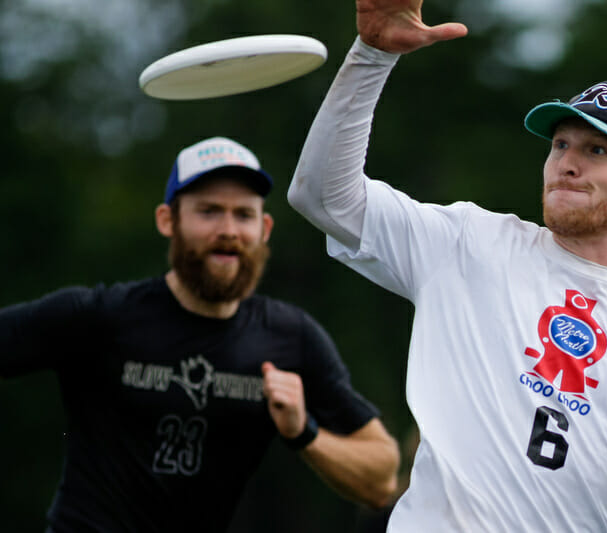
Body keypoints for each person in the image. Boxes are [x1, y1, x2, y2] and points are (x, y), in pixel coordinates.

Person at [287, 1, 607, 531]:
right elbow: (322, 198)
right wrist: (372, 55)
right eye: (561, 143)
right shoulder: (471, 242)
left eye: (596, 151)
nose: (567, 161)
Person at [0, 136, 400, 532]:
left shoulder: (290, 338)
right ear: (167, 220)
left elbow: (381, 479)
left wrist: (304, 432)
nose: (228, 230)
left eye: (243, 215)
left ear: (264, 228)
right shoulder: (98, 317)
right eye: (208, 211)